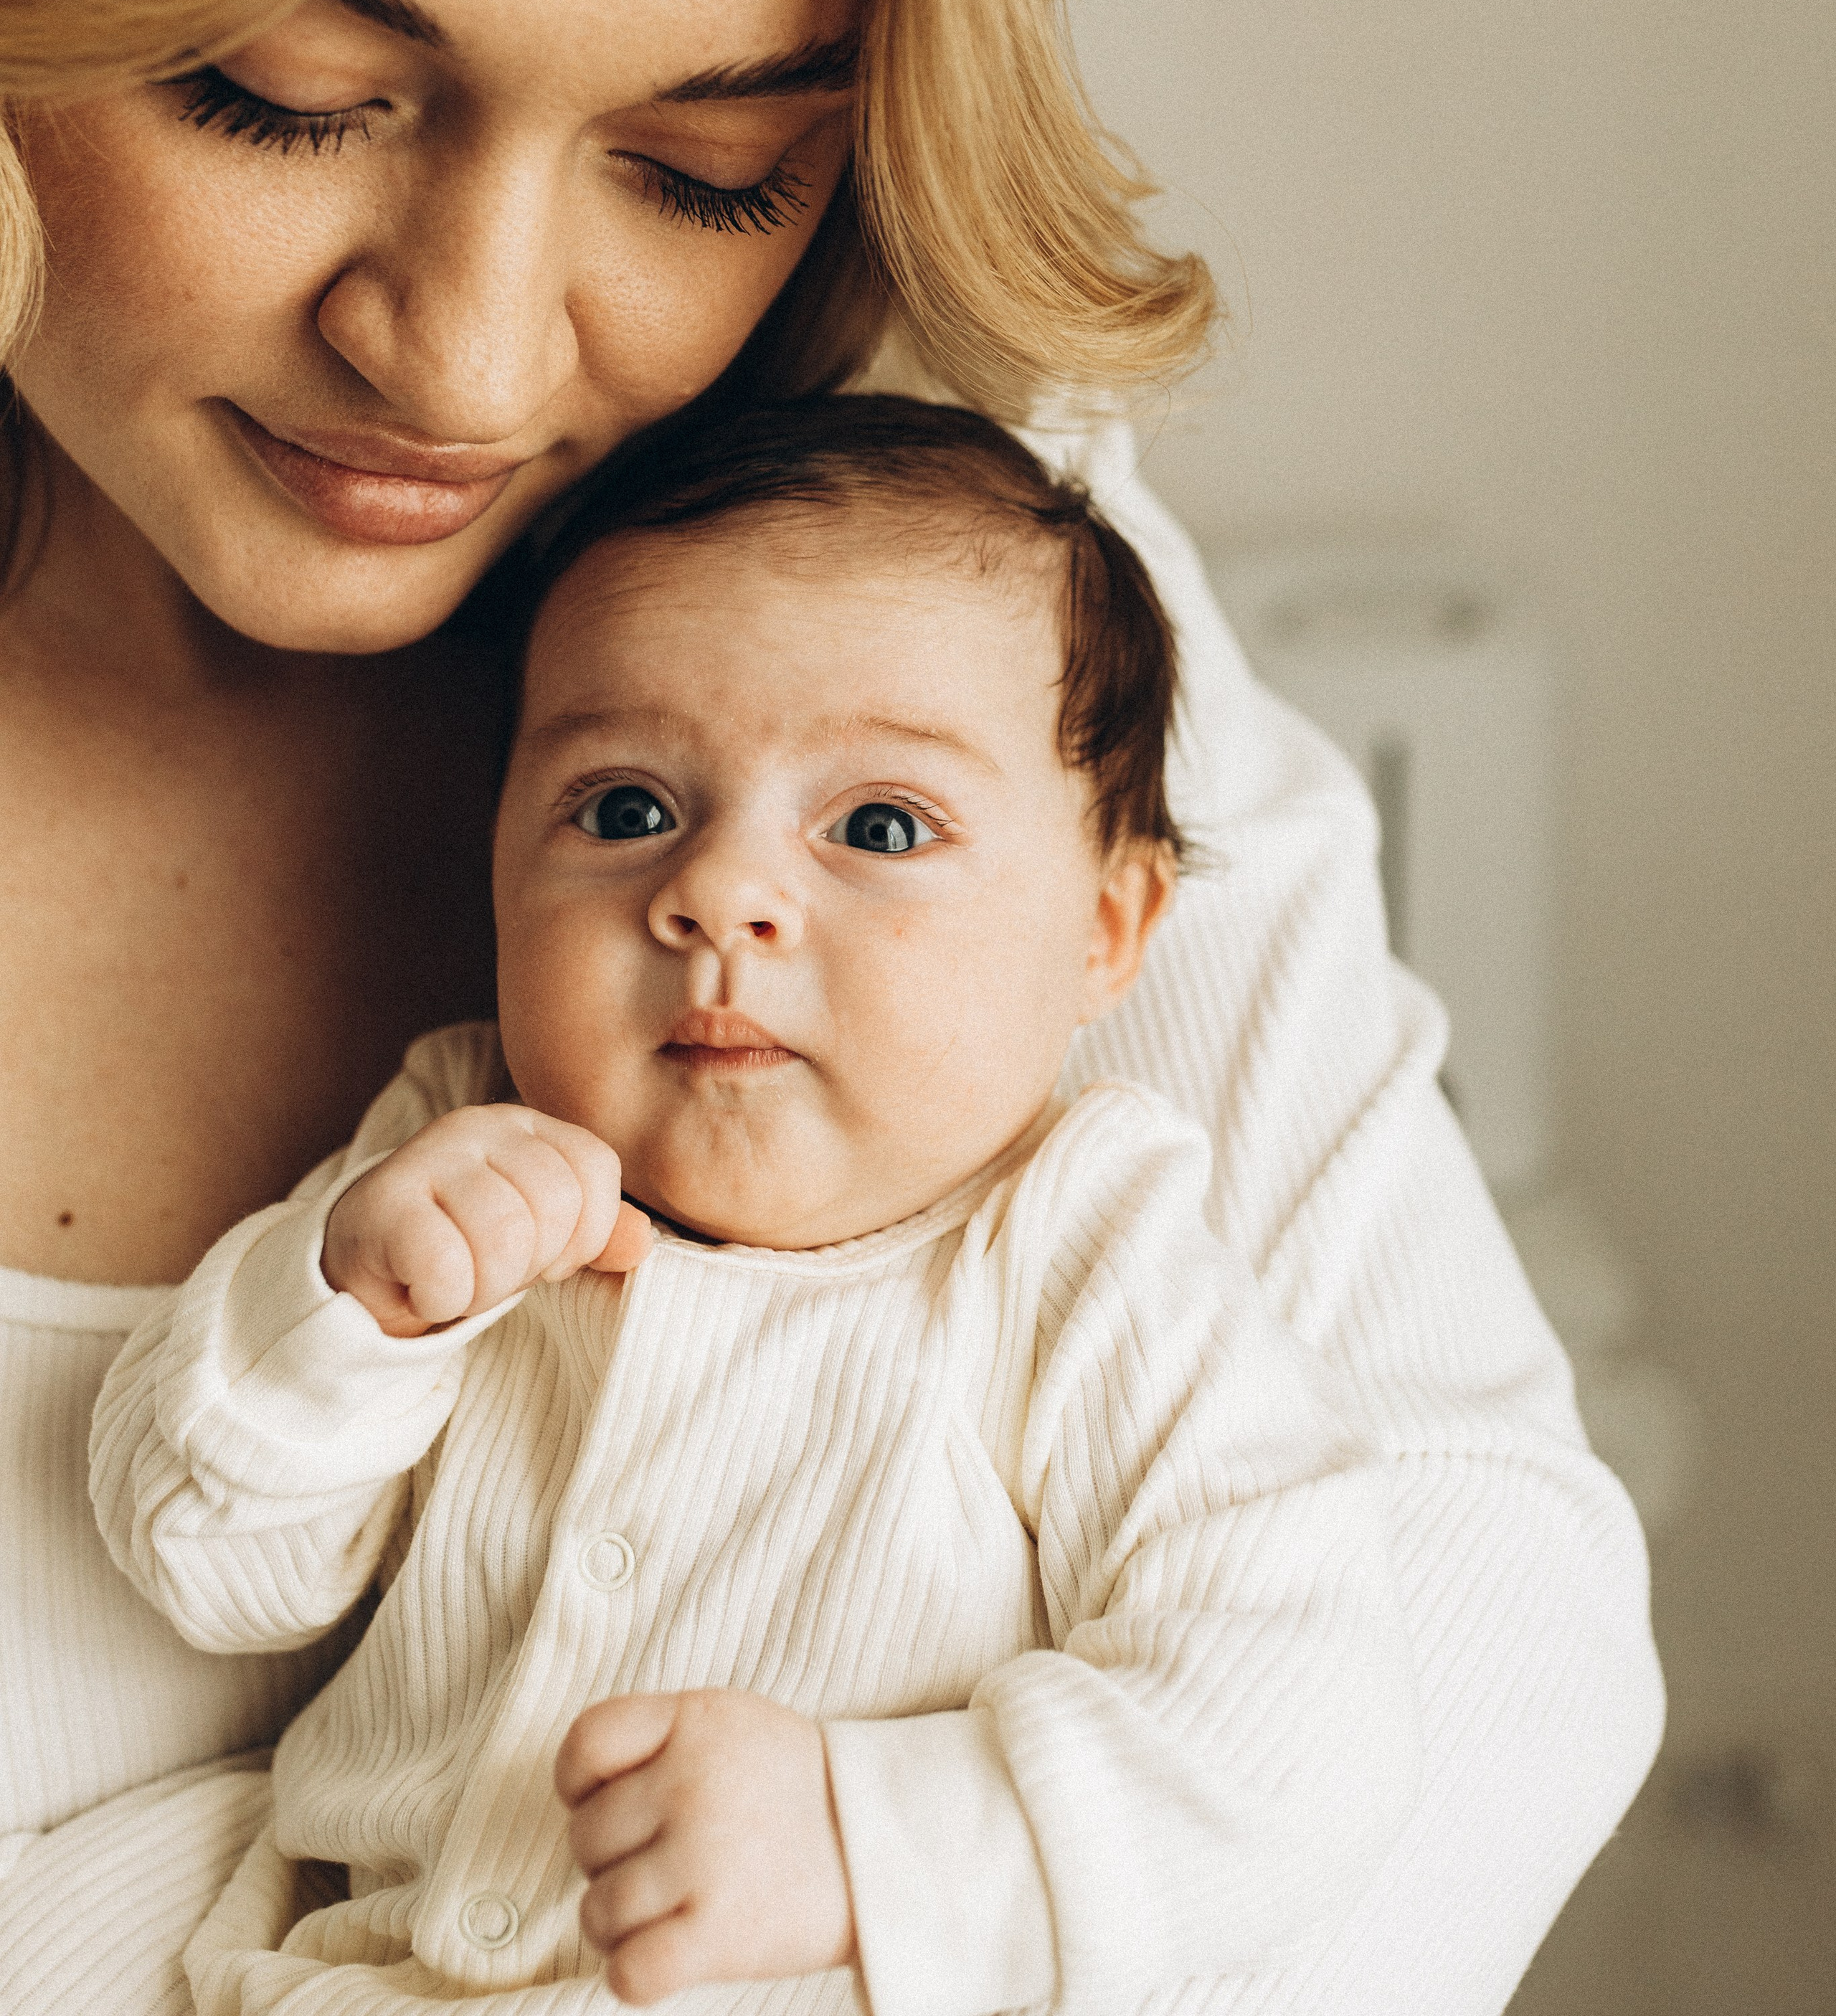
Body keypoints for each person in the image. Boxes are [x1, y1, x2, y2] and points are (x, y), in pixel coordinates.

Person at [0, 0, 1661, 2014]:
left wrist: (880, 1883)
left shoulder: (924, 567)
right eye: (280, 93)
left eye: (706, 166)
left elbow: (1470, 1642)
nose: (480, 351)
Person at [93, 397, 1425, 2015]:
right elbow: (206, 1563)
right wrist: (342, 1319)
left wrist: (875, 1841)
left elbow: (1294, 1719)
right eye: (625, 808)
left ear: (1104, 930)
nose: (717, 891)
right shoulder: (458, 1156)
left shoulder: (1084, 1264)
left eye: (877, 825)